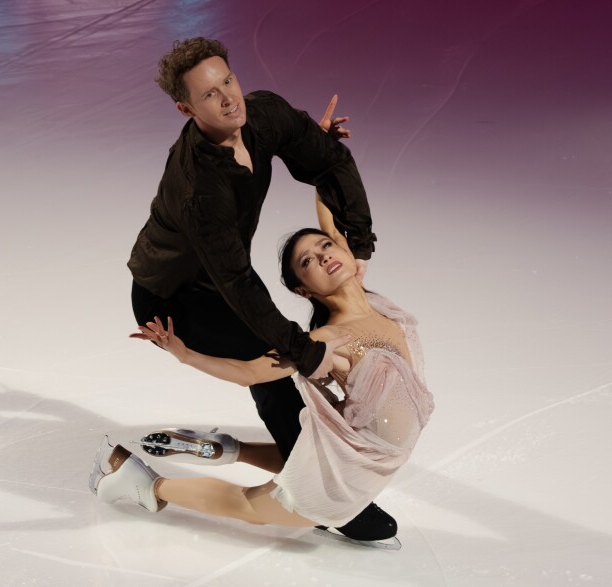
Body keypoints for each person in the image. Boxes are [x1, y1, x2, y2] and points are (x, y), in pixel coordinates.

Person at [126, 37, 392, 539]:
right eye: (210, 95)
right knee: (275, 365)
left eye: (228, 80)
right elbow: (239, 283)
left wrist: (358, 243)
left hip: (220, 279)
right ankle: (328, 499)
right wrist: (298, 348)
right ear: (186, 108)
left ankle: (307, 475)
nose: (229, 99)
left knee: (286, 360)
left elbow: (331, 161)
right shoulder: (198, 186)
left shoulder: (262, 115)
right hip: (172, 296)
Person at [92, 195, 434, 545]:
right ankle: (141, 482)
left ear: (345, 250)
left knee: (310, 459)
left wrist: (322, 158)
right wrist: (185, 355)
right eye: (308, 261)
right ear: (304, 289)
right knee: (251, 508)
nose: (324, 256)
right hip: (347, 472)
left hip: (358, 457)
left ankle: (228, 448)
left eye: (326, 246)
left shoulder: (376, 305)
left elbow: (331, 215)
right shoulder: (326, 341)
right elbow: (251, 373)